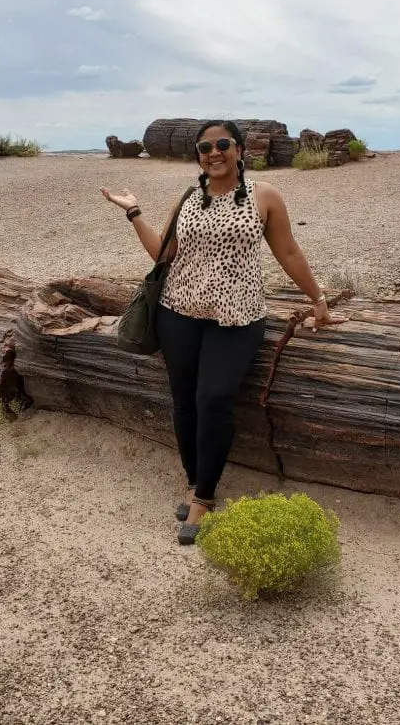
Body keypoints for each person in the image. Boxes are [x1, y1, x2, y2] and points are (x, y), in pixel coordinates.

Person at [101, 120, 346, 545]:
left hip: (238, 317)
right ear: (198, 155)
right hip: (178, 313)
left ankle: (204, 499)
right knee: (184, 401)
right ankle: (196, 481)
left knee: (213, 399)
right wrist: (133, 211)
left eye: (222, 144)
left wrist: (318, 301)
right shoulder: (189, 199)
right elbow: (164, 253)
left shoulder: (264, 195)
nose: (214, 153)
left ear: (238, 149)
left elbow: (287, 250)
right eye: (205, 147)